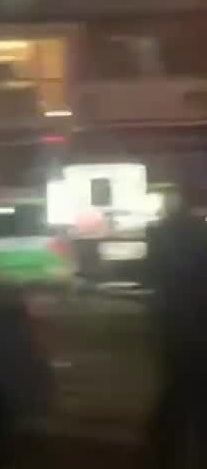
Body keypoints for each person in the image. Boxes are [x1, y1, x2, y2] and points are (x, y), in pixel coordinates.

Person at [146, 181, 207, 467]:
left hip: (175, 321)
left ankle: (165, 448)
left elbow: (157, 273)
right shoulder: (196, 233)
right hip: (191, 322)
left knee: (180, 388)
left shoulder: (161, 233)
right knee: (190, 390)